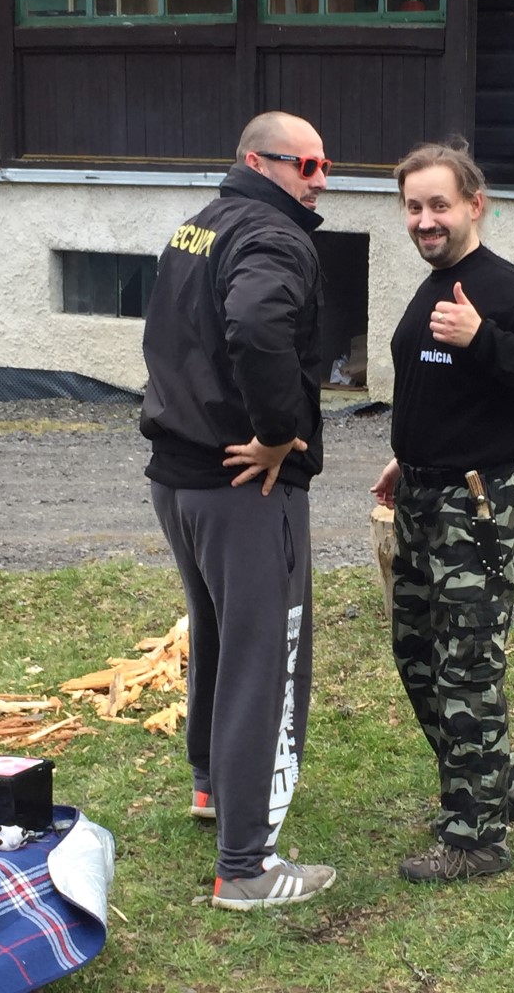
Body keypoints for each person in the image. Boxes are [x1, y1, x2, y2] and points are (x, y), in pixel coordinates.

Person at [371, 138, 514, 883]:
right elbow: (437, 384)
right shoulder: (435, 283)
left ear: (474, 205)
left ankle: (476, 839)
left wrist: (484, 338)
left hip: (479, 507)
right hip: (424, 496)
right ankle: (498, 782)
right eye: (413, 207)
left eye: (439, 204)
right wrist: (409, 453)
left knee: (465, 668)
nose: (425, 220)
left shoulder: (504, 290)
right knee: (417, 657)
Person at [140, 111, 336, 910]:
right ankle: (246, 867)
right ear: (258, 161)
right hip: (242, 485)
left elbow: (168, 340)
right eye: (306, 164)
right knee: (264, 656)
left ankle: (212, 786)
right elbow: (256, 325)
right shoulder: (272, 236)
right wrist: (279, 433)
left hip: (179, 477)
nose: (320, 178)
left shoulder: (199, 225)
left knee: (217, 633)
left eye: (325, 165)